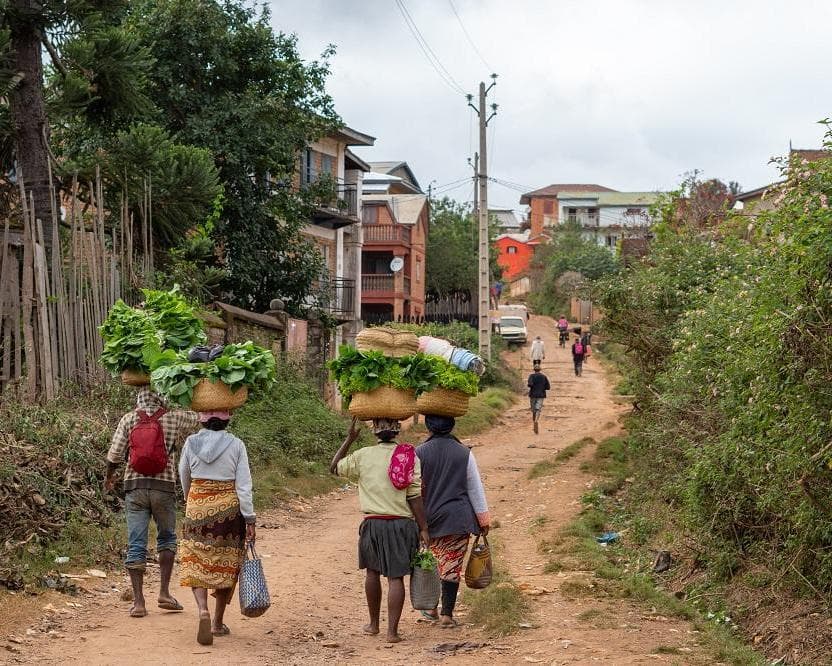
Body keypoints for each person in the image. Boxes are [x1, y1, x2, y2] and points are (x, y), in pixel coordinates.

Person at [330, 417, 430, 644]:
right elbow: (415, 496)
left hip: (372, 523)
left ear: (374, 431)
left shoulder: (363, 455)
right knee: (396, 577)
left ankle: (374, 624)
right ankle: (392, 633)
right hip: (401, 524)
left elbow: (334, 467)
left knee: (372, 573)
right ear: (397, 429)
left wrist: (349, 440)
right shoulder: (409, 456)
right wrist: (423, 527)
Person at [104, 387, 199, 619]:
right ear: (160, 396)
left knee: (136, 542)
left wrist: (109, 477)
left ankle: (139, 602)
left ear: (139, 398)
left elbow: (114, 454)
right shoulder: (173, 417)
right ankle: (164, 593)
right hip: (163, 487)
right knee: (167, 538)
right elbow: (199, 417)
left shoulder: (129, 419)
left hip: (135, 487)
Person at [178, 410, 256, 646]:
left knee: (195, 559)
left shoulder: (191, 442)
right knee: (226, 563)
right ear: (227, 420)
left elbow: (183, 473)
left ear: (201, 420)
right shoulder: (237, 445)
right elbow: (244, 485)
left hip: (197, 506)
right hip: (228, 510)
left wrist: (191, 498)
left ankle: (203, 609)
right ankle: (217, 623)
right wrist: (250, 518)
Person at [416, 415, 490, 628]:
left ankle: (431, 608)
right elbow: (475, 488)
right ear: (452, 426)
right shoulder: (464, 453)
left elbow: (413, 489)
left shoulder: (418, 453)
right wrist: (483, 519)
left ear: (428, 426)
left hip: (427, 520)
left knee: (432, 563)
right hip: (457, 518)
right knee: (452, 565)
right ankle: (447, 614)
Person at [527, 363, 551, 434]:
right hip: (541, 395)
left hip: (533, 394)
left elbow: (530, 384)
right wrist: (542, 387)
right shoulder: (544, 377)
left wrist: (532, 385)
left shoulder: (531, 376)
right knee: (538, 409)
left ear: (534, 370)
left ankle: (534, 420)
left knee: (533, 409)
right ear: (540, 370)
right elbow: (548, 387)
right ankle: (536, 420)